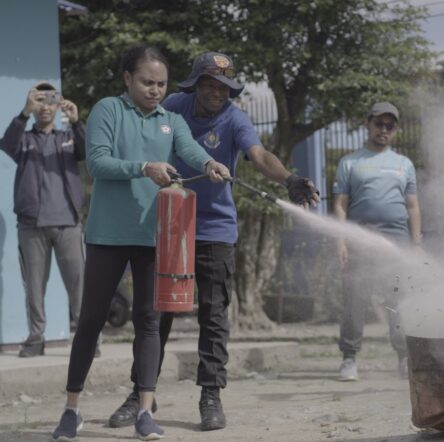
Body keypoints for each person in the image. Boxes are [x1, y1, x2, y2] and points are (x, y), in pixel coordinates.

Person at [108, 51, 319, 432]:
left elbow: (259, 155)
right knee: (156, 315)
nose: (217, 93)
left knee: (214, 316)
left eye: (224, 87)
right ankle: (141, 393)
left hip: (217, 230)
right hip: (172, 225)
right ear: (195, 84)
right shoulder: (174, 105)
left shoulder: (235, 119)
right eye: (209, 84)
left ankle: (210, 395)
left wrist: (288, 179)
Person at [51, 44, 231, 442]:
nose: (155, 90)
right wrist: (143, 168)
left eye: (162, 84)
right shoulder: (108, 110)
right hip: (107, 236)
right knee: (91, 321)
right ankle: (71, 409)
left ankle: (145, 412)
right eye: (147, 82)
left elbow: (188, 148)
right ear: (127, 78)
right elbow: (97, 161)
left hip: (154, 238)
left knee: (149, 322)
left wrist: (209, 164)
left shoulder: (170, 119)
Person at [332, 102, 422, 381]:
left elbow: (413, 207)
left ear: (395, 130)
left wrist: (416, 244)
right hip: (360, 241)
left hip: (397, 241)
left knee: (398, 300)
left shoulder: (404, 165)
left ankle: (403, 357)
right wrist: (341, 241)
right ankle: (349, 358)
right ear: (367, 124)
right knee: (354, 300)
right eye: (378, 124)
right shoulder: (350, 162)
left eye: (389, 125)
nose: (383, 130)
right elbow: (340, 205)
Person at [0, 82, 86, 358]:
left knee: (79, 284)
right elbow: (7, 144)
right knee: (34, 287)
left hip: (69, 223)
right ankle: (36, 338)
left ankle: (87, 339)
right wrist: (24, 113)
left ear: (58, 103)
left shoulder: (68, 138)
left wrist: (77, 122)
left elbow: (86, 154)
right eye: (40, 100)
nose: (46, 106)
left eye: (51, 100)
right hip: (31, 224)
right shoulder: (23, 140)